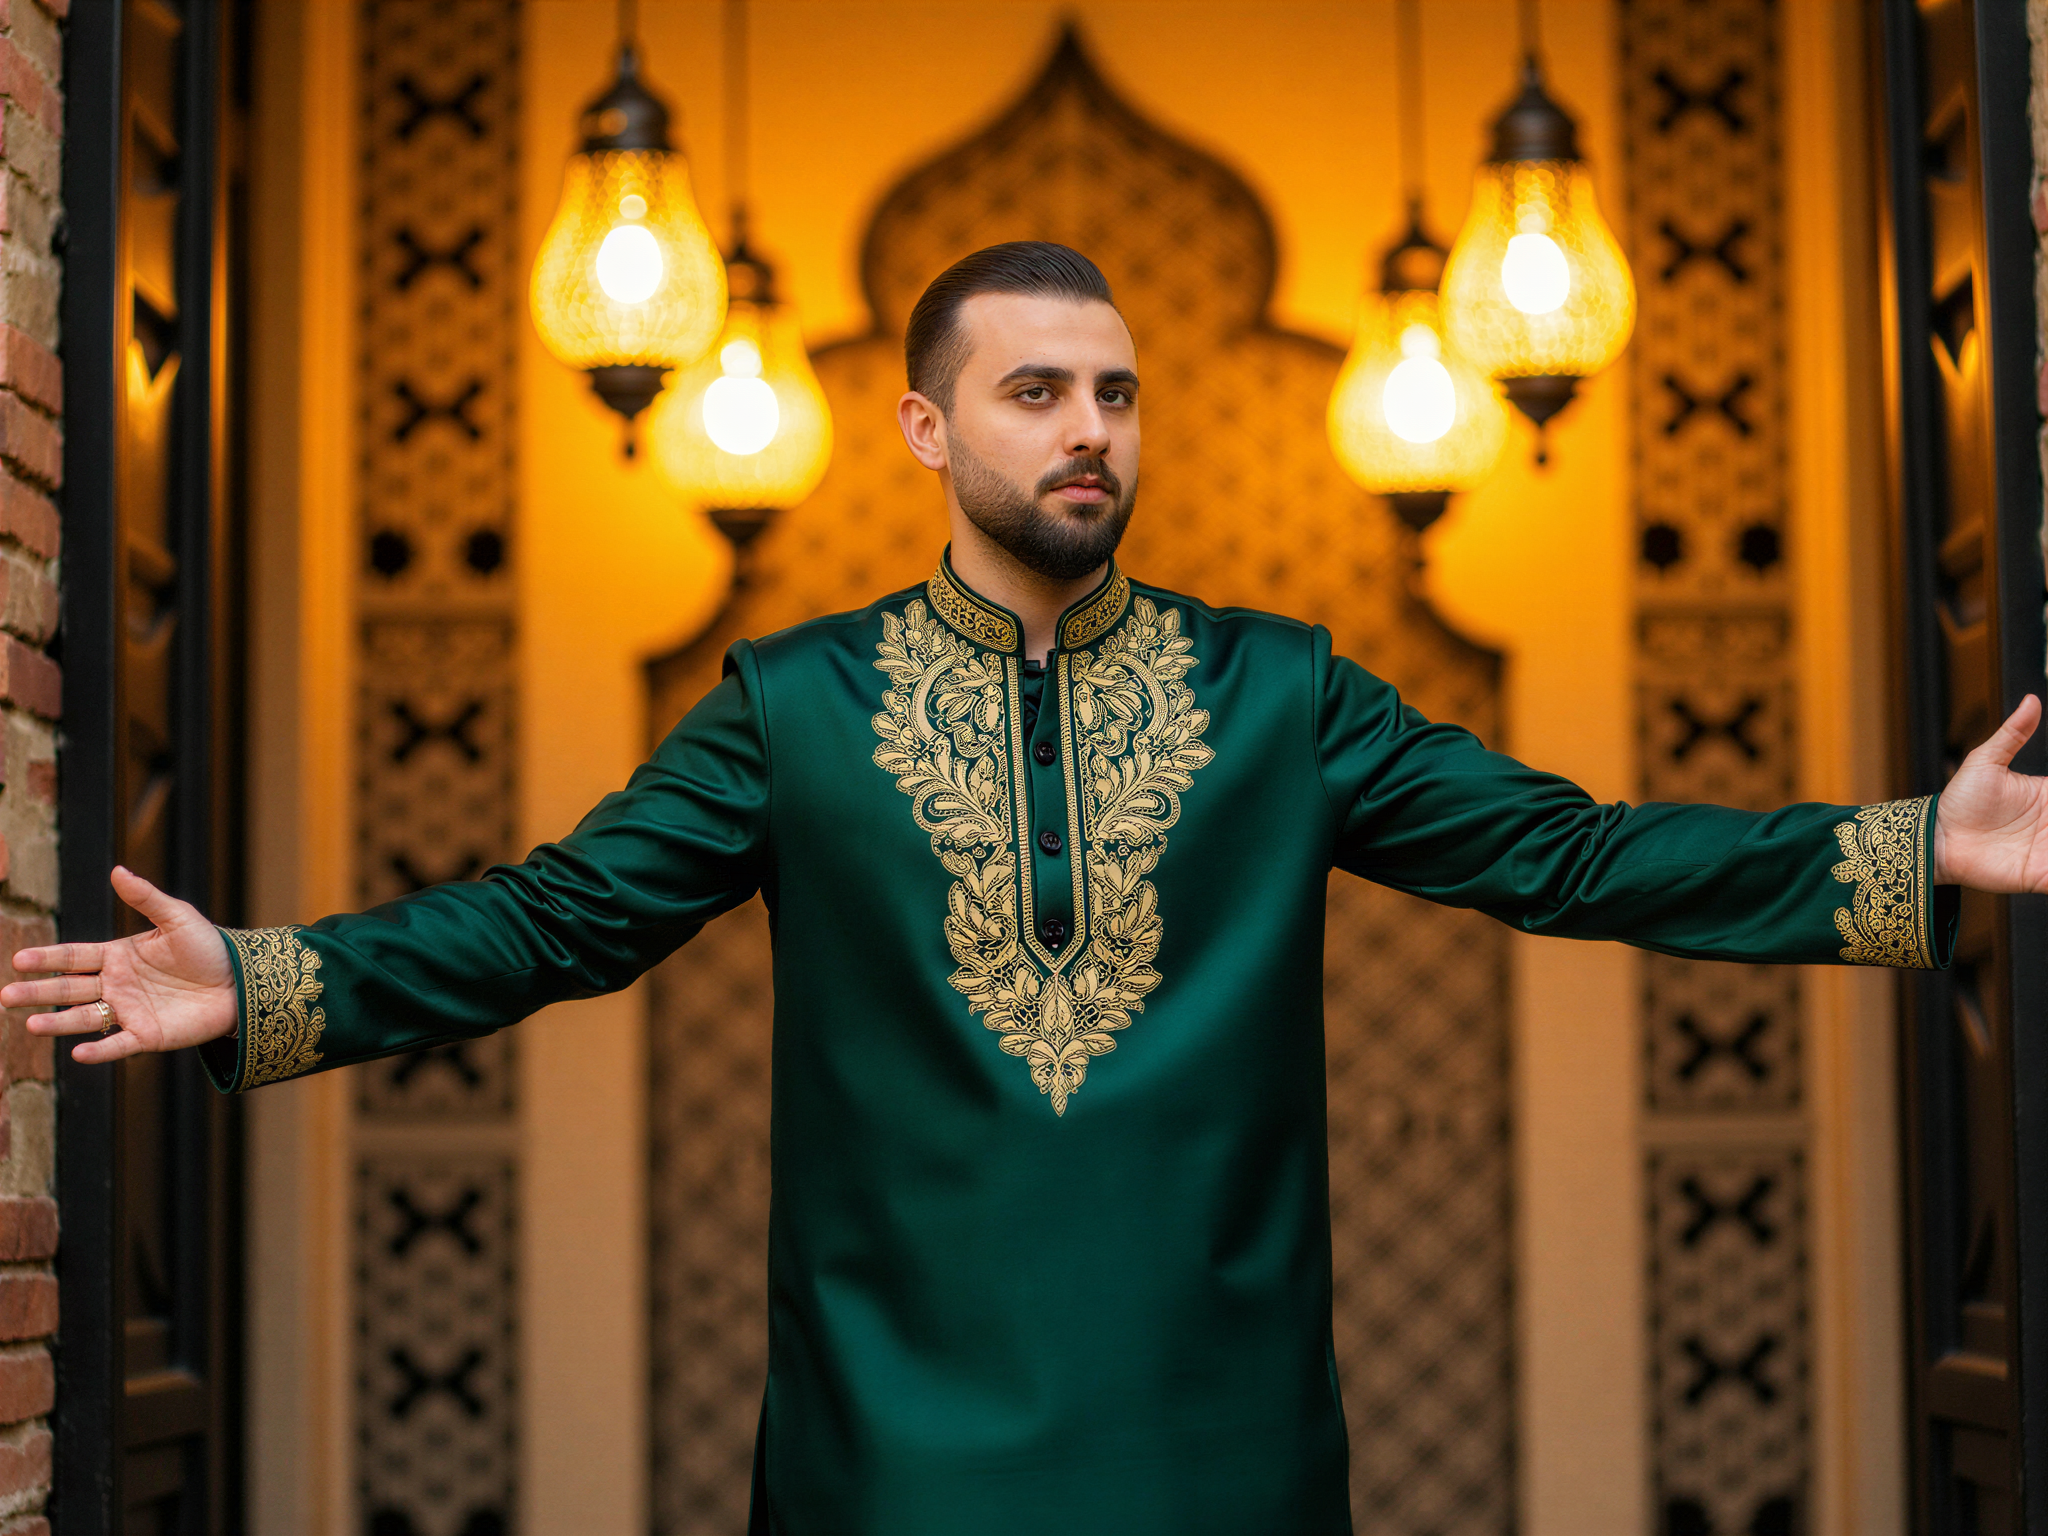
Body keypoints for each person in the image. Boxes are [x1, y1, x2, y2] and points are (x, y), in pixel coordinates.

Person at [9, 241, 2044, 1535]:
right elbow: (563, 916)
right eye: (1037, 392)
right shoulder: (793, 706)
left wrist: (1910, 847)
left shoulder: (1281, 694)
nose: (1090, 434)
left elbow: (1565, 851)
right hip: (892, 1455)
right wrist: (267, 980)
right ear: (924, 424)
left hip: (1223, 1448)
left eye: (1116, 395)